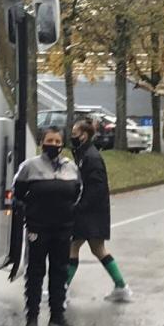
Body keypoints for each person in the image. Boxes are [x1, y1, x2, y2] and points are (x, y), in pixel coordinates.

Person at [14, 126, 82, 326]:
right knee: (35, 272)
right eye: (49, 141)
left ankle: (57, 316)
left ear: (62, 144)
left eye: (57, 141)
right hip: (38, 228)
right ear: (42, 142)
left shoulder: (71, 168)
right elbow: (17, 194)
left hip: (63, 228)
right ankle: (32, 317)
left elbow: (78, 193)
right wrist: (29, 212)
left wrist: (69, 213)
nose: (53, 145)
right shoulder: (29, 167)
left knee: (59, 271)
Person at [67, 119, 132, 302]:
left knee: (73, 247)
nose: (72, 136)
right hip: (95, 211)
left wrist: (79, 208)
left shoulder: (91, 157)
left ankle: (61, 287)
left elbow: (95, 187)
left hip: (89, 212)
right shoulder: (85, 154)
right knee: (97, 249)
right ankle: (121, 286)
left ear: (84, 135)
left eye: (74, 133)